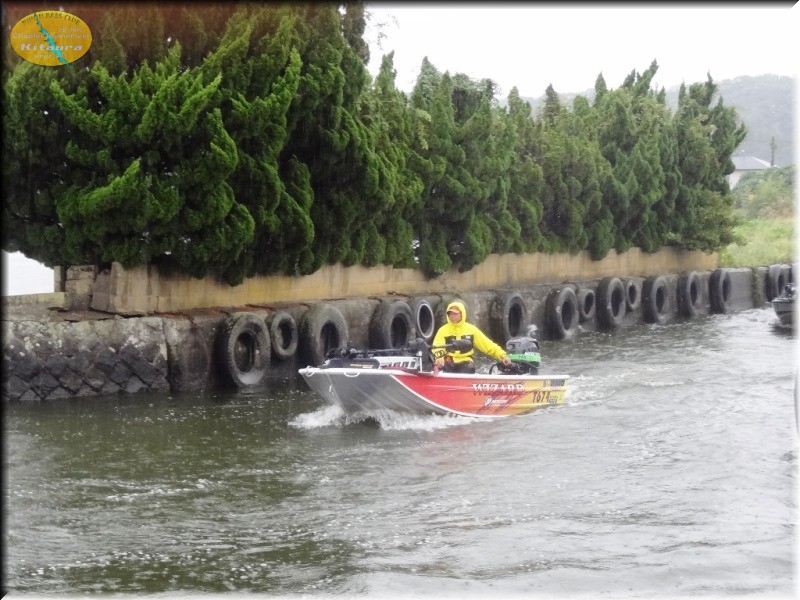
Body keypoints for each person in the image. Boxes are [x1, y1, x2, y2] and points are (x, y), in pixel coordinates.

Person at [432, 300, 512, 374]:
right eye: (450, 314)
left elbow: (487, 345)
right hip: (448, 361)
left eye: (455, 314)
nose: (452, 316)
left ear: (462, 314)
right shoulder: (442, 330)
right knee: (442, 368)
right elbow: (437, 347)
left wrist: (502, 356)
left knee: (468, 368)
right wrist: (439, 358)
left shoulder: (471, 329)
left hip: (466, 361)